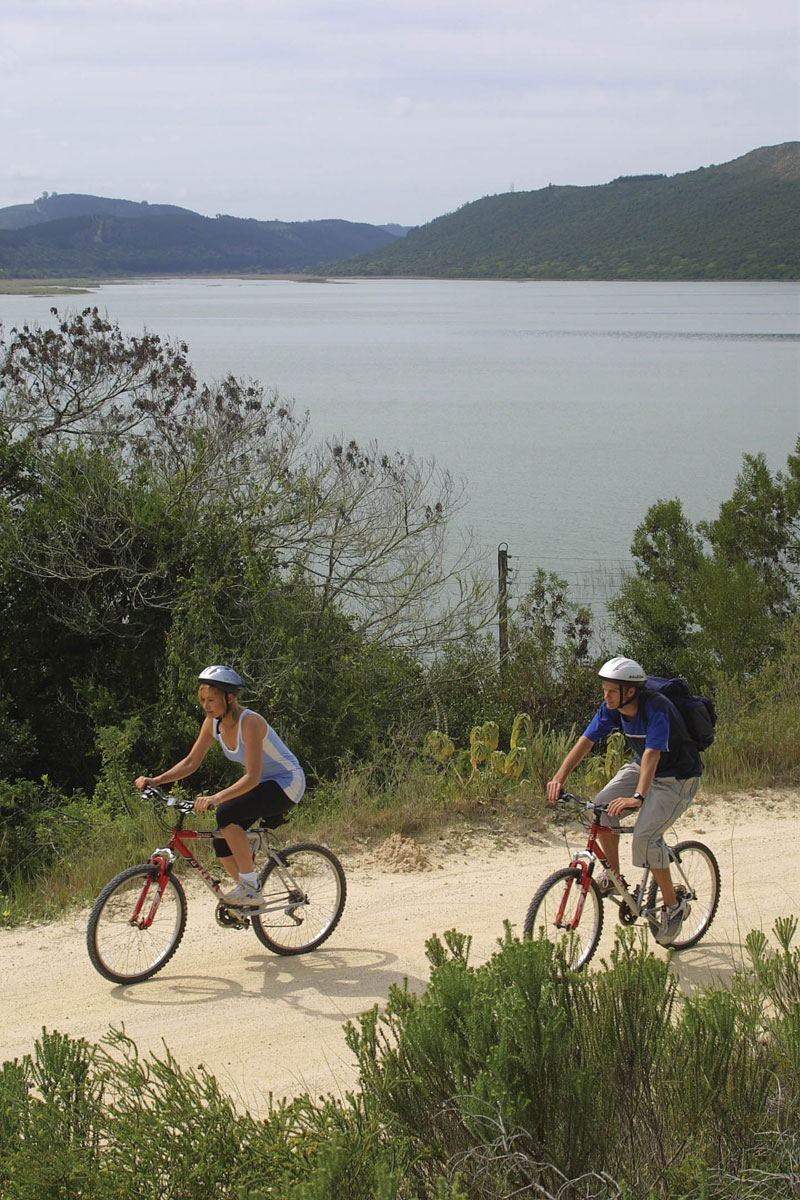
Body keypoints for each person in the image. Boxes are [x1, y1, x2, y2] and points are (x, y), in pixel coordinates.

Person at [546, 656, 702, 946]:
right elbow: (586, 742)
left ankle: (673, 906)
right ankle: (613, 876)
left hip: (677, 778)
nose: (605, 696)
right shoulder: (612, 709)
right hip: (641, 766)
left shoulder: (657, 708)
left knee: (644, 837)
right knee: (601, 808)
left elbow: (653, 755)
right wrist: (559, 778)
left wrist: (638, 798)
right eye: (604, 690)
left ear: (629, 692)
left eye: (610, 691)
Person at [135, 664, 305, 907]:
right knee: (220, 839)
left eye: (211, 700)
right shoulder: (212, 723)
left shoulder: (250, 723)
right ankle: (250, 896)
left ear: (230, 697)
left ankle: (251, 888)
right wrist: (157, 780)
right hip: (265, 784)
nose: (205, 705)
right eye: (203, 699)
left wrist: (216, 798)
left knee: (227, 812)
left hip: (287, 782)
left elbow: (253, 777)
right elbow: (191, 761)